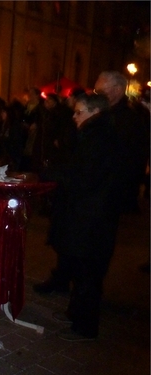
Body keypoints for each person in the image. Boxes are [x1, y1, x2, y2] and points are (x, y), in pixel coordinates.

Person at [36, 93, 121, 342]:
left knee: (88, 273)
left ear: (95, 112)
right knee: (80, 268)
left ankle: (85, 326)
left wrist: (53, 173)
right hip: (87, 214)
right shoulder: (93, 134)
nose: (74, 116)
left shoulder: (99, 138)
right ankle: (75, 315)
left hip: (91, 217)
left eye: (79, 111)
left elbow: (84, 178)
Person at [94, 71, 150, 214]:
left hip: (115, 191)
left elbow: (131, 158)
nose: (98, 96)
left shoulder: (128, 119)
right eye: (96, 91)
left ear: (118, 90)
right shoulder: (102, 113)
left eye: (101, 92)